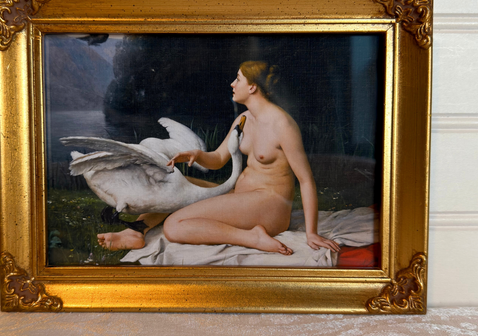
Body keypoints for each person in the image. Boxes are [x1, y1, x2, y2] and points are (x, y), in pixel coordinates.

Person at [98, 61, 340, 256]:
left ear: (252, 87)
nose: (232, 84)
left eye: (238, 79)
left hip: (270, 207)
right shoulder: (244, 119)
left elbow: (306, 180)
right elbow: (218, 158)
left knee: (174, 226)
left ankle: (252, 237)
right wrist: (196, 155)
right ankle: (136, 232)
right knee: (175, 186)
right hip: (240, 197)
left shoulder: (282, 125)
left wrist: (312, 233)